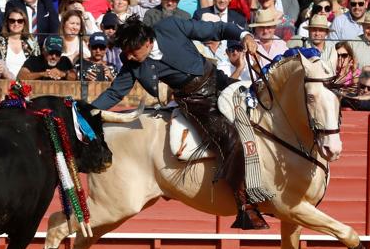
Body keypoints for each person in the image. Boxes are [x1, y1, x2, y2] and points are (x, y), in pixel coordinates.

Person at [91, 15, 267, 229]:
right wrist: (86, 110)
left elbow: (217, 29)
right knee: (230, 139)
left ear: (147, 42)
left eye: (132, 50)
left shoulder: (170, 26)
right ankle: (245, 205)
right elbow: (114, 93)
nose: (127, 56)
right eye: (125, 51)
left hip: (218, 81)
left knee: (264, 106)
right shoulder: (133, 65)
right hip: (198, 103)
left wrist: (244, 34)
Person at [0, 7, 40, 78]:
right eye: (12, 21)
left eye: (20, 21)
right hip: (4, 84)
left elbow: (37, 66)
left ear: (24, 23)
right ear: (7, 22)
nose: (16, 23)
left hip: (27, 84)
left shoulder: (32, 43)